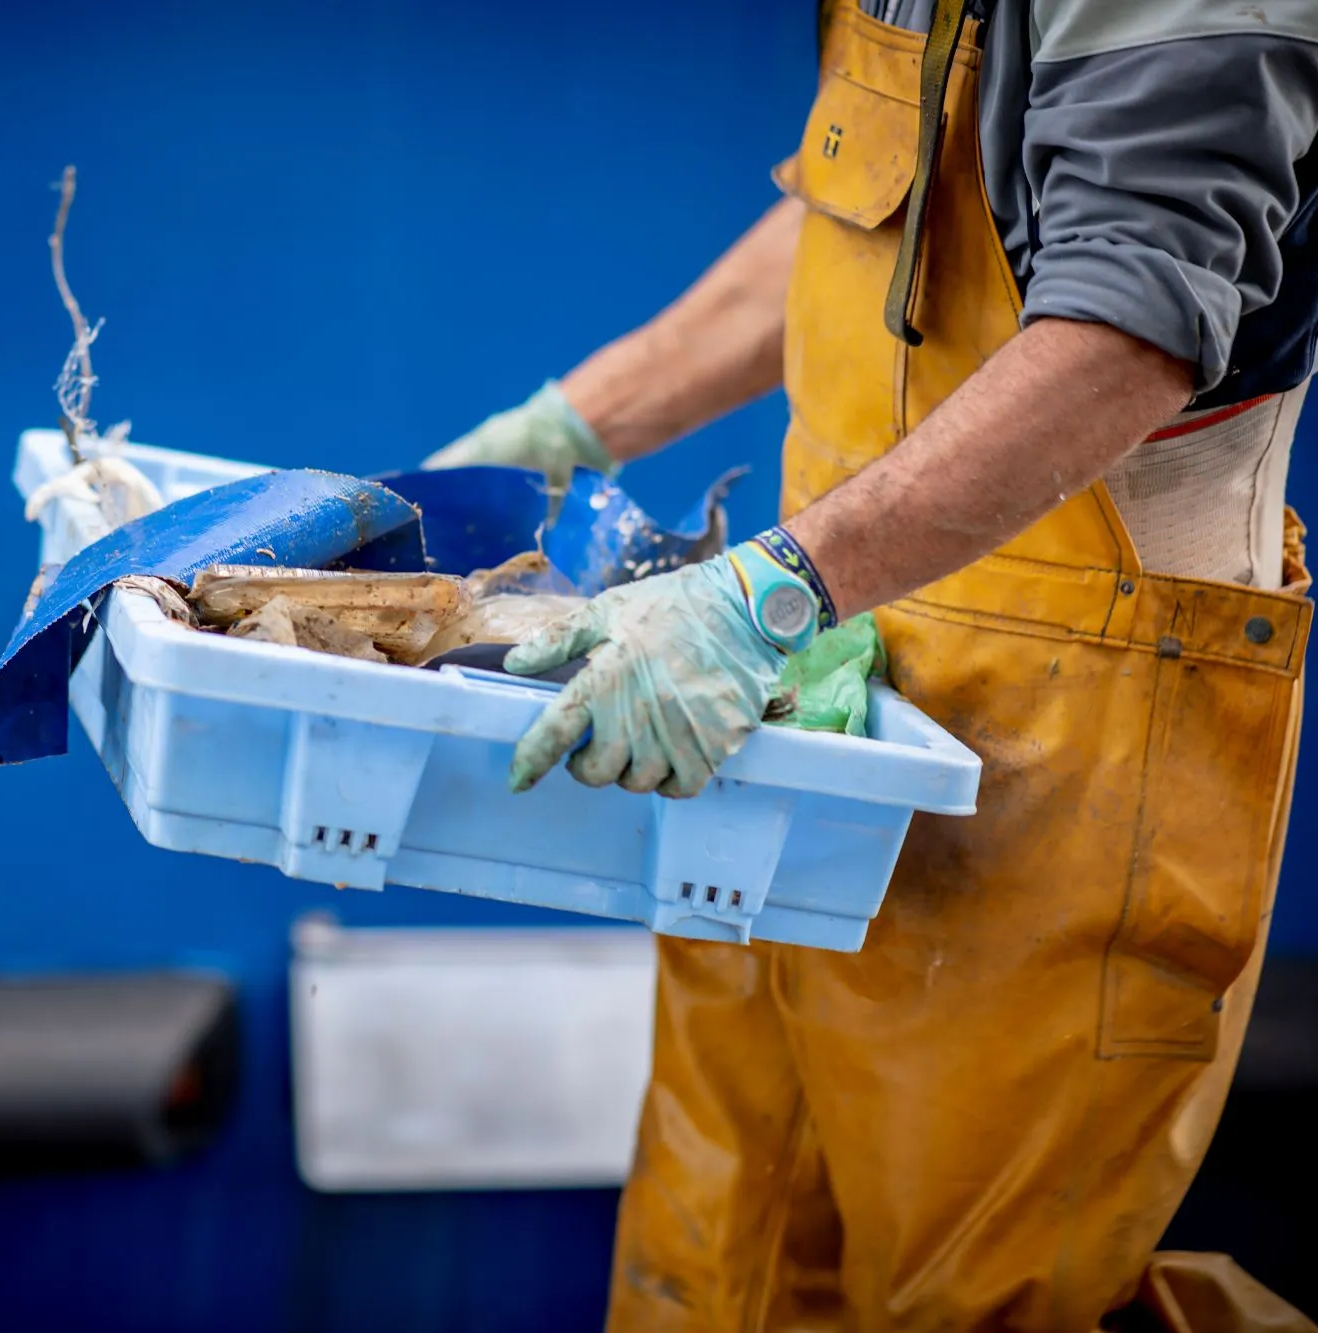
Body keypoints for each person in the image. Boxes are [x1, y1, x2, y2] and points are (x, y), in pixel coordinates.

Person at [425, 0, 1318, 1328]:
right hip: (810, 708)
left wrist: (765, 597)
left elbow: (1131, 324)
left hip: (1057, 748)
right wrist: (566, 427)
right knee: (718, 1247)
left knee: (970, 1297)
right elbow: (871, 217)